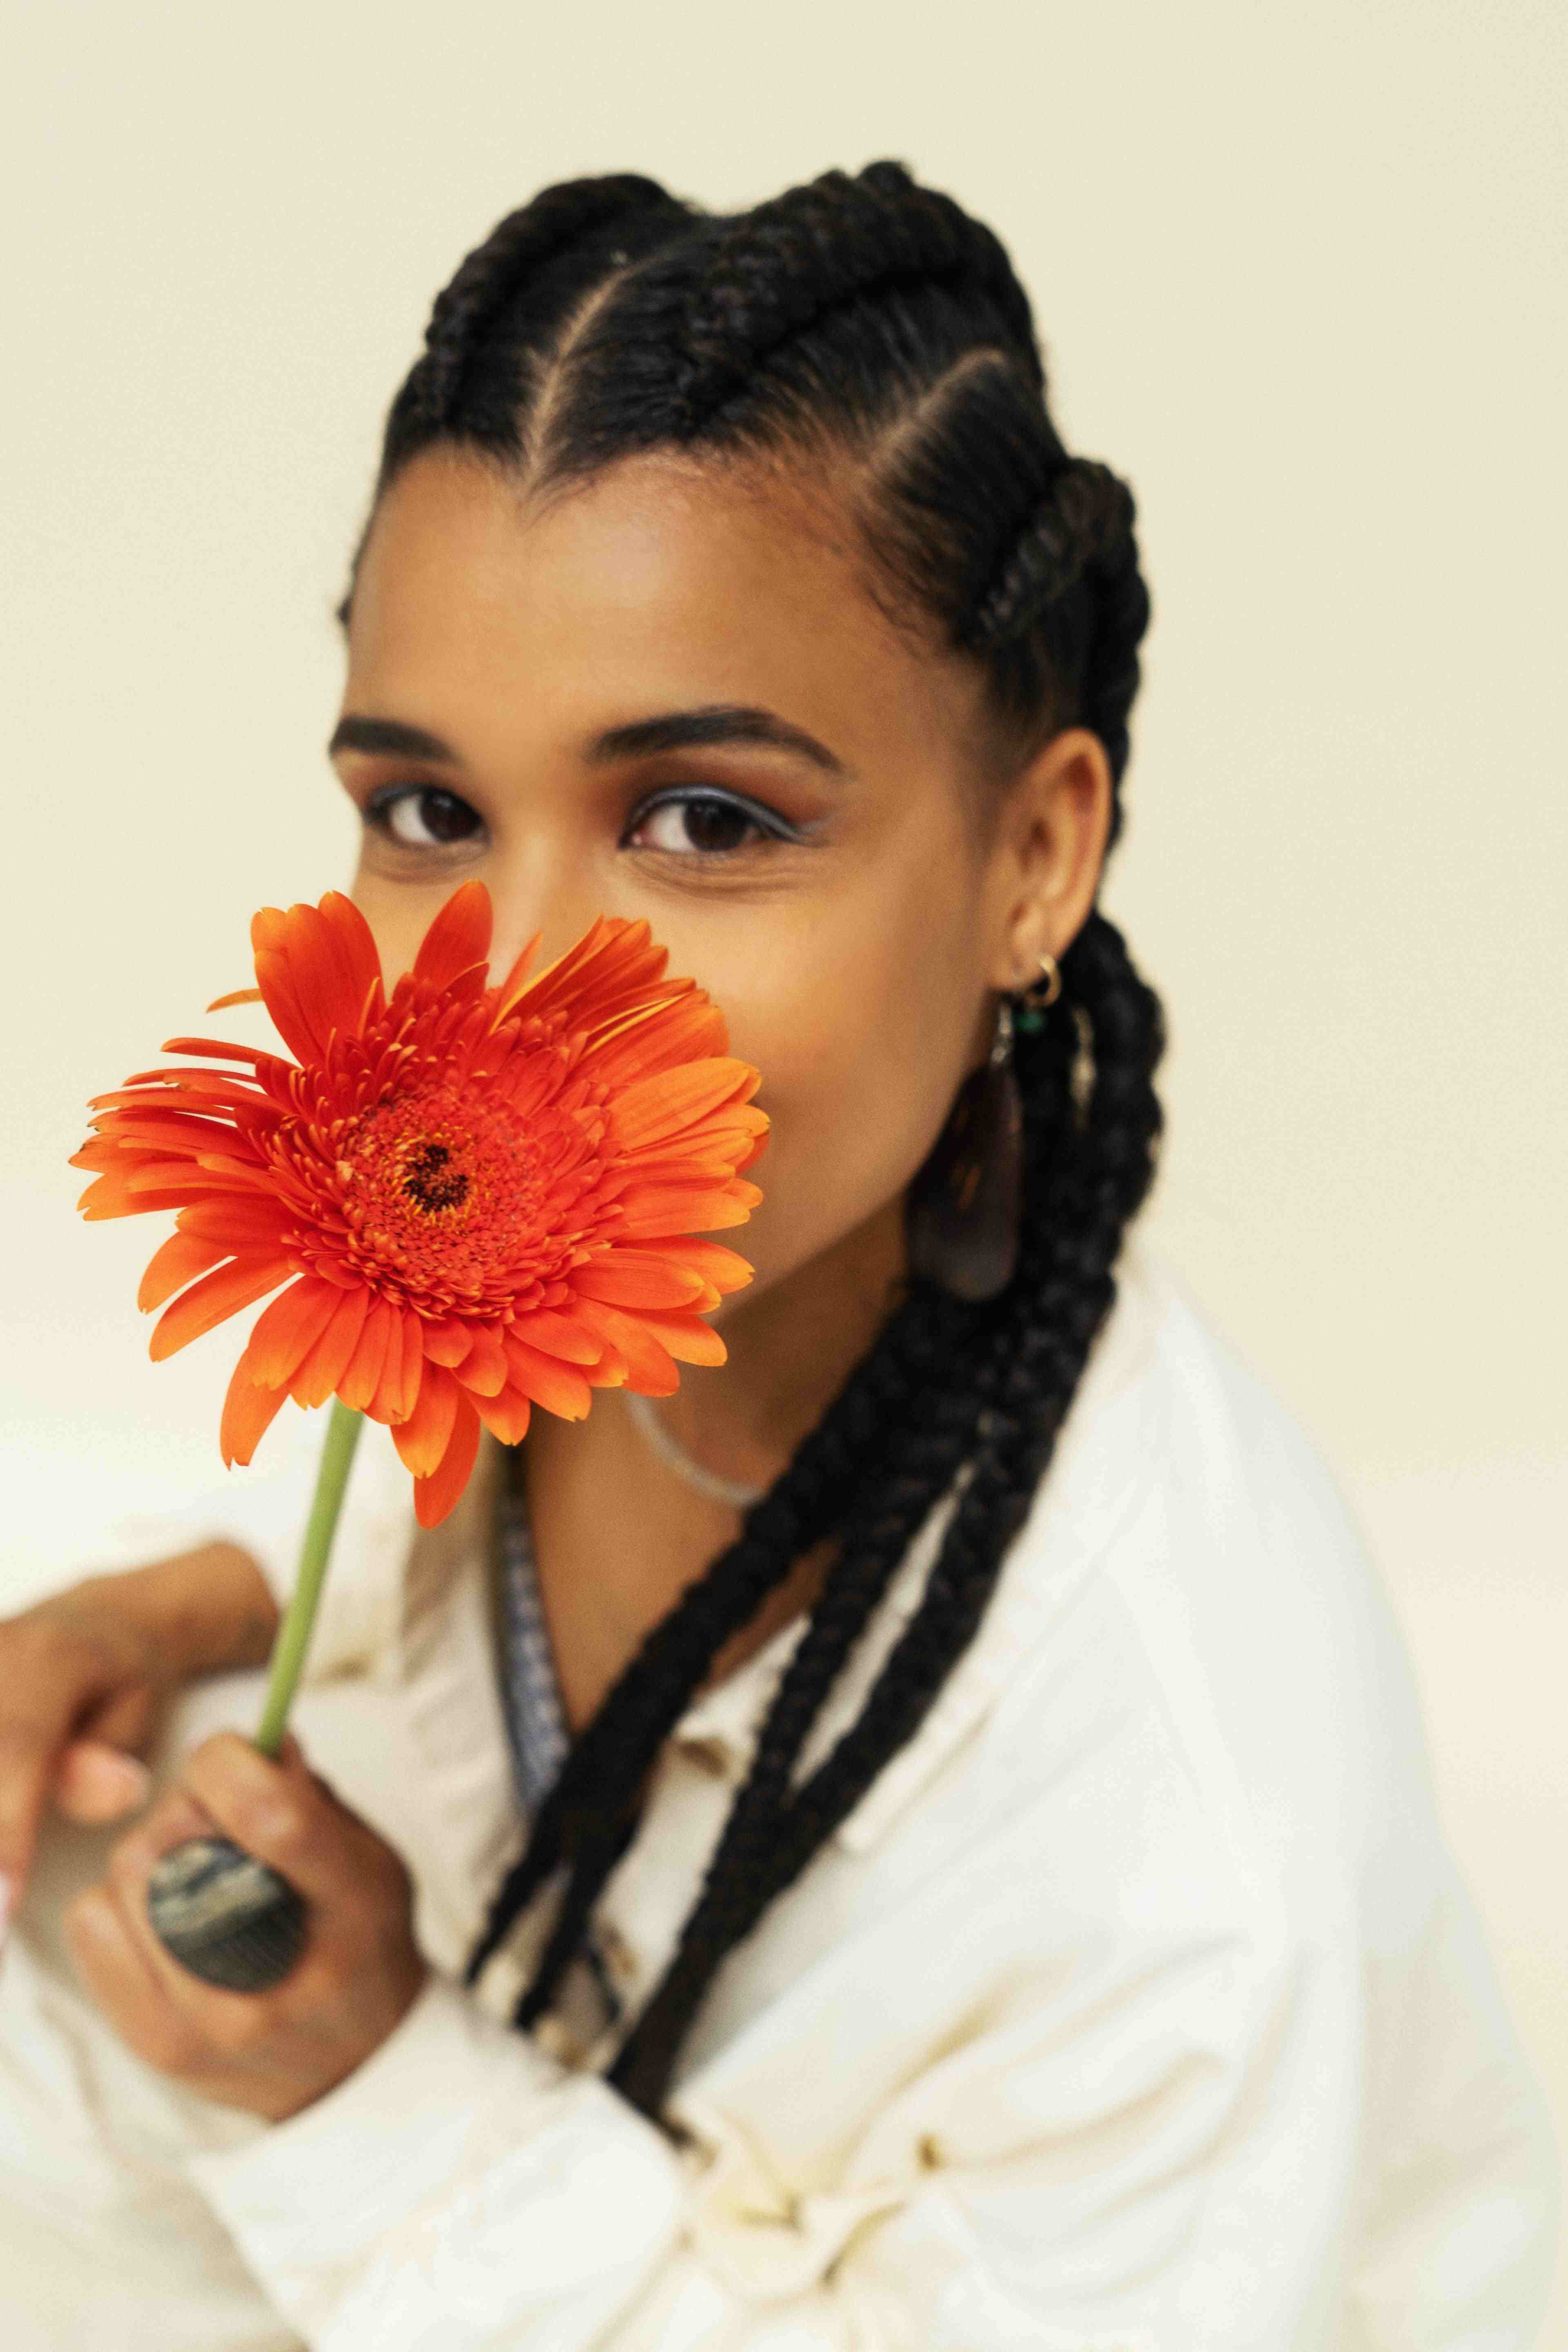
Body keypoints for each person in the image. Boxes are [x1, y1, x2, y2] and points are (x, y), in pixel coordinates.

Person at [0, 159, 1557, 2350]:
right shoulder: (572, 1307)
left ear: (1036, 858)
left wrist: (365, 2092)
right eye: (429, 813)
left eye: (707, 822)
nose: (505, 986)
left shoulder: (1192, 1828)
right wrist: (184, 1598)